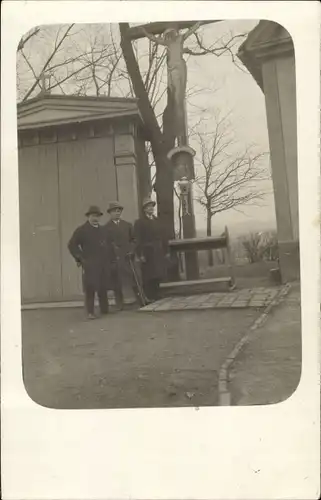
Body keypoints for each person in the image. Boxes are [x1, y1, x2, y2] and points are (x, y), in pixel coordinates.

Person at [68, 205, 111, 320]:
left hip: (103, 263)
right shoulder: (82, 230)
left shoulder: (103, 230)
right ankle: (90, 312)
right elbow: (72, 245)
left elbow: (108, 245)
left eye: (97, 216)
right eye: (93, 216)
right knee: (90, 288)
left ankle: (104, 310)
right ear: (88, 216)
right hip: (90, 263)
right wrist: (80, 258)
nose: (95, 218)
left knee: (103, 286)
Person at [133, 197, 170, 302]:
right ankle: (149, 296)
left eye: (152, 206)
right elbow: (138, 239)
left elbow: (164, 237)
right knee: (148, 275)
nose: (151, 208)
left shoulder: (157, 221)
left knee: (158, 273)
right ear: (144, 209)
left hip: (158, 250)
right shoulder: (139, 222)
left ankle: (157, 294)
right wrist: (140, 254)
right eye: (148, 207)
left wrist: (166, 250)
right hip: (147, 251)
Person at [104, 201, 136, 310]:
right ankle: (119, 303)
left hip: (127, 257)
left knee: (131, 279)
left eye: (119, 211)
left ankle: (135, 300)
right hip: (114, 258)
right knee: (116, 282)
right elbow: (105, 244)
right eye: (114, 211)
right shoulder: (106, 228)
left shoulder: (127, 225)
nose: (117, 213)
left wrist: (131, 250)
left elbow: (133, 240)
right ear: (110, 213)